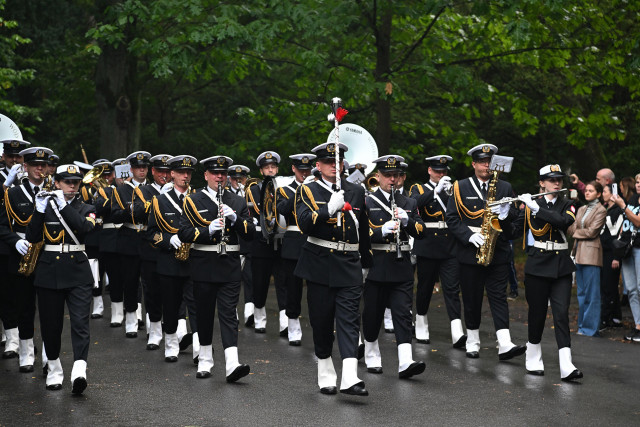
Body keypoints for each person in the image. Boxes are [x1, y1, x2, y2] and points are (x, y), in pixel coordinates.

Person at [295, 142, 372, 396]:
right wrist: (329, 208)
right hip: (320, 262)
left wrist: (366, 261)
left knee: (350, 320)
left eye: (337, 162)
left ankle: (350, 376)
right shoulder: (308, 190)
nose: (333, 166)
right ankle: (326, 371)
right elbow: (305, 224)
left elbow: (362, 228)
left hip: (349, 262)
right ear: (318, 165)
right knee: (322, 320)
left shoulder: (356, 190)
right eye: (327, 162)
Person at [500, 164, 583, 381]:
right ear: (541, 183)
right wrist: (503, 217)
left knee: (562, 314)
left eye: (559, 179)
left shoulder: (568, 204)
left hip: (560, 268)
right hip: (537, 266)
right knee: (536, 314)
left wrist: (535, 208)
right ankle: (533, 356)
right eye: (551, 179)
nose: (557, 183)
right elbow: (514, 232)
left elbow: (563, 222)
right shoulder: (529, 205)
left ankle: (566, 364)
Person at [445, 143, 525, 360]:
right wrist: (468, 236)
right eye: (482, 162)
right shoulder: (460, 186)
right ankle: (472, 339)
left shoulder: (505, 187)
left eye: (490, 162)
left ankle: (505, 342)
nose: (487, 166)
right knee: (471, 297)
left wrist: (506, 215)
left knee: (499, 296)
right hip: (470, 251)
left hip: (497, 250)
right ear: (474, 164)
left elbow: (514, 225)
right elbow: (451, 218)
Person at [178, 155, 254, 382]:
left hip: (229, 265)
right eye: (214, 173)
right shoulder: (193, 200)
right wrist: (207, 230)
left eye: (223, 173)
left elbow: (250, 233)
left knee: (229, 314)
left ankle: (232, 363)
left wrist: (235, 219)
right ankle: (205, 359)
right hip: (203, 264)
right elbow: (183, 233)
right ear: (206, 175)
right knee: (203, 313)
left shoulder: (237, 201)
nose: (219, 177)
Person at [26, 164, 96, 393]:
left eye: (76, 181)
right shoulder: (46, 207)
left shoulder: (87, 207)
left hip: (78, 271)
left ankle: (79, 369)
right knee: (50, 325)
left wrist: (63, 206)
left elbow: (84, 228)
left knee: (79, 323)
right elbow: (32, 237)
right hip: (49, 272)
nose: (72, 185)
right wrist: (38, 210)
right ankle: (54, 368)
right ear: (56, 183)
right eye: (67, 181)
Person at [362, 155, 426, 378]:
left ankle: (405, 361)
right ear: (377, 177)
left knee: (402, 313)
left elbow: (421, 231)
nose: (392, 180)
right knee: (372, 314)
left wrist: (408, 222)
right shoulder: (367, 201)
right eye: (387, 175)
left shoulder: (409, 202)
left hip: (401, 266)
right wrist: (381, 231)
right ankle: (371, 354)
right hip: (376, 265)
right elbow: (361, 236)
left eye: (396, 176)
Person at [0, 146, 53, 373]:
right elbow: (1, 225)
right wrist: (14, 240)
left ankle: (50, 356)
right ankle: (26, 351)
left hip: (49, 253)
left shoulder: (54, 191)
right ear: (25, 167)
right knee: (24, 305)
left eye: (42, 165)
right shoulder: (12, 194)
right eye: (34, 165)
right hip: (21, 253)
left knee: (51, 308)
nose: (39, 169)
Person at [409, 155, 466, 348]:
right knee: (425, 287)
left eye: (444, 171)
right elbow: (413, 204)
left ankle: (457, 330)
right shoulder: (419, 188)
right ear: (429, 171)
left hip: (450, 243)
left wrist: (449, 192)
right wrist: (435, 192)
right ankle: (421, 321)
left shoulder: (453, 190)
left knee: (451, 288)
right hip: (428, 243)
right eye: (437, 171)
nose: (441, 174)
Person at [148, 155, 199, 363]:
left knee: (197, 305)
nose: (185, 176)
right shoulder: (160, 201)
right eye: (181, 173)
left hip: (196, 260)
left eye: (188, 173)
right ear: (172, 174)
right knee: (170, 304)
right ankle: (170, 343)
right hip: (170, 261)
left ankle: (199, 348)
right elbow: (151, 233)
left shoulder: (199, 197)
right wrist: (169, 240)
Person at [132, 154, 173, 350]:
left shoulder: (180, 190)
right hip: (151, 248)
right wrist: (161, 198)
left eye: (167, 172)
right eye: (160, 171)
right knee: (152, 291)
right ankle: (155, 332)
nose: (164, 175)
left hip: (174, 247)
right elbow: (138, 212)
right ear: (153, 171)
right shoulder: (143, 190)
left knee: (175, 291)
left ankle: (176, 331)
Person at [275, 153, 316, 345]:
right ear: (293, 169)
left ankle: (319, 326)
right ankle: (293, 325)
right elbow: (282, 209)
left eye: (307, 171)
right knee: (293, 287)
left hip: (314, 240)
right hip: (293, 242)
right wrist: (301, 190)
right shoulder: (284, 190)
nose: (304, 173)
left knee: (317, 287)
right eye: (301, 171)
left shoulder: (317, 187)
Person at [245, 151, 287, 335]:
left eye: (273, 167)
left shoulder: (284, 187)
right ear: (261, 171)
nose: (270, 170)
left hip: (282, 242)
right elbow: (259, 210)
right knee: (259, 283)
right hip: (262, 242)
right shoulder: (254, 189)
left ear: (277, 169)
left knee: (283, 282)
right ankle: (260, 318)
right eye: (266, 168)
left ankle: (286, 323)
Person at [110, 151, 151, 338]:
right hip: (129, 237)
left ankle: (152, 321)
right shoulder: (121, 190)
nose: (141, 170)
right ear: (131, 169)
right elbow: (115, 215)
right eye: (137, 167)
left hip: (149, 238)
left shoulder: (153, 189)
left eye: (144, 167)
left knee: (151, 283)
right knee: (130, 282)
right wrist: (132, 210)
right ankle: (132, 320)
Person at [568, 181, 606, 337]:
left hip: (591, 254)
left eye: (591, 191)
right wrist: (577, 231)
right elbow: (571, 228)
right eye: (587, 190)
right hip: (579, 252)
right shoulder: (582, 208)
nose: (587, 193)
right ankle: (583, 326)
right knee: (581, 293)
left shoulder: (601, 210)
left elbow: (592, 232)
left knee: (592, 294)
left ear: (598, 194)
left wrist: (577, 231)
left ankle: (591, 329)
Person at [611, 181, 640, 341]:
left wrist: (622, 206)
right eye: (637, 182)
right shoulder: (634, 199)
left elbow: (638, 221)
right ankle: (638, 326)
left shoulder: (626, 202)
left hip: (639, 248)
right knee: (631, 289)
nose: (638, 185)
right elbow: (626, 221)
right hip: (627, 249)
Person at [227, 164, 254, 326]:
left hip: (248, 241)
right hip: (232, 241)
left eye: (241, 178)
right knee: (232, 279)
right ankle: (233, 312)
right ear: (229, 179)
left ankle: (249, 312)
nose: (238, 181)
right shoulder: (225, 195)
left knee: (250, 278)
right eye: (235, 178)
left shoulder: (251, 193)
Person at [599, 184, 624, 330]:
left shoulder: (619, 210)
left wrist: (617, 257)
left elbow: (619, 234)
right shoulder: (605, 209)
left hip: (612, 253)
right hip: (603, 251)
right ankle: (615, 317)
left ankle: (605, 319)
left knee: (609, 286)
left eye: (605, 191)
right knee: (606, 286)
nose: (603, 193)